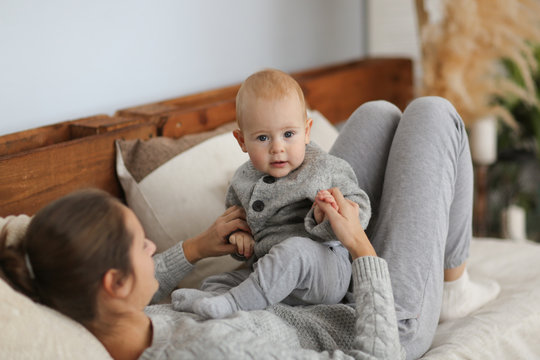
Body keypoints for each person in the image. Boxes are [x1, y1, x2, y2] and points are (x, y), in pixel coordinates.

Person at [0, 97, 499, 359]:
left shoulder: (124, 317)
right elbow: (376, 357)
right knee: (435, 114)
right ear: (114, 283)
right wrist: (361, 249)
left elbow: (150, 280)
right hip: (374, 318)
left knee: (378, 114)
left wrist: (196, 248)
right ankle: (451, 288)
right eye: (140, 243)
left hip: (310, 273)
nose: (154, 247)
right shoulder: (211, 350)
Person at [171, 69, 371, 319]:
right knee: (219, 280)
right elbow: (238, 224)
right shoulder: (242, 180)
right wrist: (239, 240)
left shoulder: (325, 167)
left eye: (288, 134)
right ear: (242, 141)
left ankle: (233, 305)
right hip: (268, 271)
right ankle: (217, 297)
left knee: (295, 251)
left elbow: (360, 208)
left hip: (324, 271)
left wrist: (327, 216)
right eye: (263, 137)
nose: (277, 148)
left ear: (307, 131)